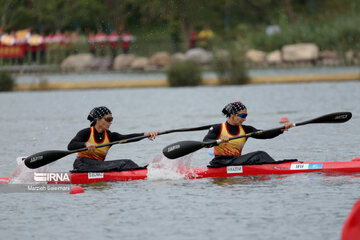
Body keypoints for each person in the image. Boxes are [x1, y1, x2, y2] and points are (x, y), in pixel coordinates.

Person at [203, 101, 294, 168]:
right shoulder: (217, 128)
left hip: (235, 161)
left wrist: (281, 129)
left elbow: (265, 134)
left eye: (246, 116)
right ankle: (277, 168)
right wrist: (219, 141)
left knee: (258, 157)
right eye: (242, 116)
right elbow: (206, 143)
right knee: (260, 154)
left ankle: (275, 167)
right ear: (232, 115)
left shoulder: (246, 129)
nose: (244, 119)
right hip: (220, 163)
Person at [68, 106, 158, 172]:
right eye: (108, 119)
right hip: (82, 164)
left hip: (98, 166)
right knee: (125, 163)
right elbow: (71, 145)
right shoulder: (86, 132)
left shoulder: (110, 136)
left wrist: (145, 134)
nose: (110, 122)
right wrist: (86, 144)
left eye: (111, 119)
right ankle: (143, 172)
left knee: (127, 163)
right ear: (97, 119)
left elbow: (127, 138)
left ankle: (143, 170)